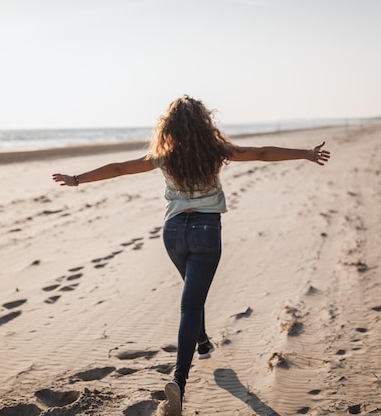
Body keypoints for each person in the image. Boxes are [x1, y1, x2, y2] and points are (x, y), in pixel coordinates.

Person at [52, 95, 330, 415]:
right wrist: (306, 154)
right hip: (206, 230)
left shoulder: (163, 155)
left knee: (191, 294)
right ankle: (179, 382)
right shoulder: (217, 150)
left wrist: (76, 179)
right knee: (191, 303)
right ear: (204, 122)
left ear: (168, 127)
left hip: (172, 233)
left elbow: (118, 168)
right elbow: (262, 152)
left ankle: (203, 343)